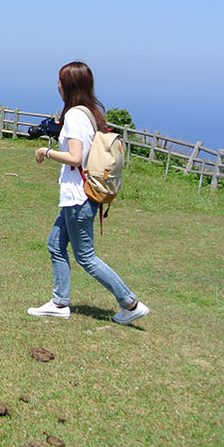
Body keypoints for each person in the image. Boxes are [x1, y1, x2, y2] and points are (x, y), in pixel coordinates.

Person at [27, 61, 149, 325]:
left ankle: (130, 303)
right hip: (79, 196)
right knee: (55, 245)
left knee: (86, 256)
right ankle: (60, 302)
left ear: (69, 86)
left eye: (60, 81)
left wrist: (45, 152)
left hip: (78, 197)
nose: (57, 86)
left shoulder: (73, 115)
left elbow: (75, 156)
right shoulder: (89, 113)